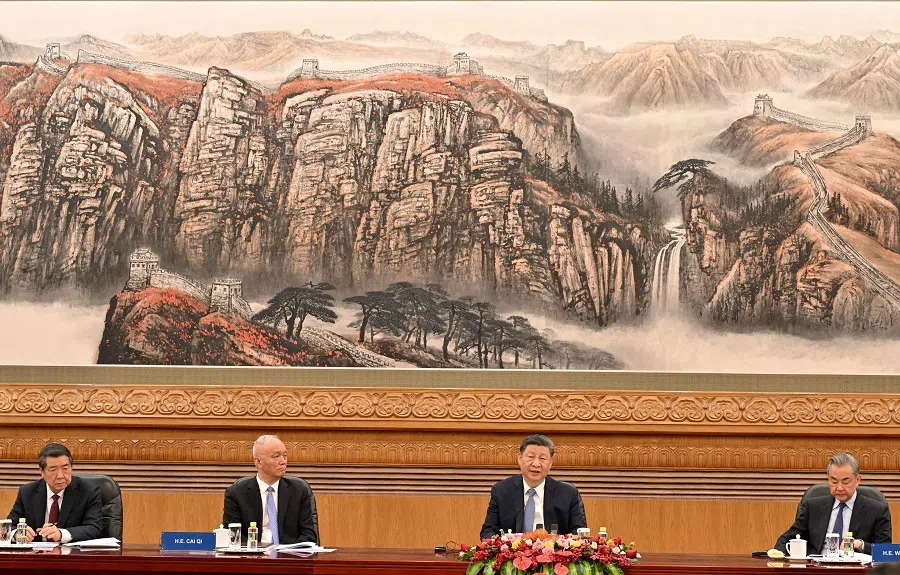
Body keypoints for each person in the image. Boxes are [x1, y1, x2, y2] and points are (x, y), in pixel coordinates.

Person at [775, 453, 891, 555]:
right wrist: (778, 555)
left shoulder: (877, 510)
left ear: (858, 480)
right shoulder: (812, 507)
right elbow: (786, 539)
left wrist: (860, 545)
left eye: (846, 481)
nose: (839, 488)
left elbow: (886, 551)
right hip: (817, 569)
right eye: (834, 481)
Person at [480, 434, 586, 539]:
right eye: (531, 457)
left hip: (553, 554)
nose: (536, 464)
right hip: (514, 554)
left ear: (550, 463)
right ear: (520, 459)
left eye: (542, 458)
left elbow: (579, 533)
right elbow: (488, 531)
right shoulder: (501, 490)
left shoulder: (567, 493)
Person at [223, 435, 318, 545]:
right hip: (253, 558)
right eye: (276, 456)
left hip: (289, 558)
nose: (283, 461)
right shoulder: (236, 493)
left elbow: (309, 536)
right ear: (258, 462)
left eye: (285, 456)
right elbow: (233, 536)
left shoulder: (299, 491)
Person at [6, 442, 102, 543]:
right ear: (41, 471)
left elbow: (94, 528)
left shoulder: (88, 491)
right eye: (53, 470)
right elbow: (9, 526)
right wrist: (17, 534)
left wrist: (61, 534)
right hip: (36, 555)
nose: (60, 475)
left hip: (71, 556)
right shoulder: (27, 492)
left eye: (65, 468)